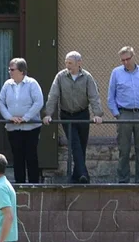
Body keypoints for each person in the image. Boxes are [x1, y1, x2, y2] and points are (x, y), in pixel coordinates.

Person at [44, 51, 102, 184]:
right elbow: (53, 96)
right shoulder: (60, 77)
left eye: (70, 63)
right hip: (66, 115)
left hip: (82, 114)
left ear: (79, 63)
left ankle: (76, 177)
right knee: (75, 144)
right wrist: (48, 114)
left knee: (82, 145)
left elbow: (94, 96)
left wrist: (97, 114)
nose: (67, 65)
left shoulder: (87, 77)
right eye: (66, 63)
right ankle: (83, 175)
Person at [107, 47, 139, 184]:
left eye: (128, 59)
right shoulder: (116, 73)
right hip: (124, 115)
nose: (126, 62)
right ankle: (123, 182)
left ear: (134, 56)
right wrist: (117, 114)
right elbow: (111, 96)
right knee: (124, 151)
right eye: (123, 60)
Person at [0, 57, 45, 184]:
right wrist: (9, 117)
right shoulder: (7, 85)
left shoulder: (32, 83)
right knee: (17, 157)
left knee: (31, 155)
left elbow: (38, 102)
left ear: (21, 71)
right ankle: (19, 183)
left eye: (12, 69)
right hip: (13, 127)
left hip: (31, 127)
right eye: (9, 69)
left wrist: (26, 118)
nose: (10, 72)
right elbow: (1, 102)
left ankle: (34, 184)